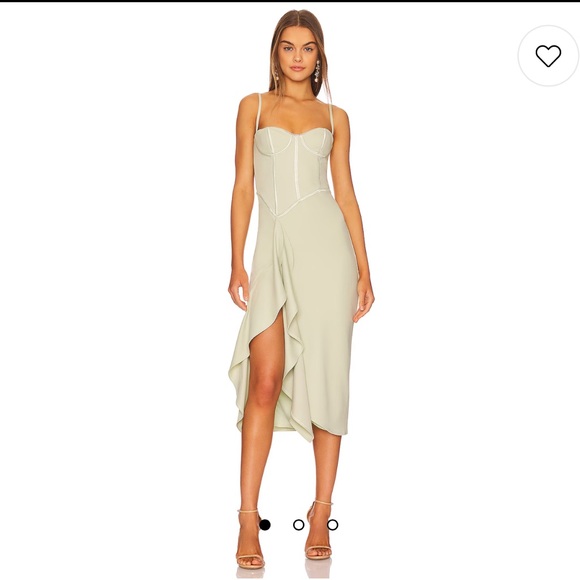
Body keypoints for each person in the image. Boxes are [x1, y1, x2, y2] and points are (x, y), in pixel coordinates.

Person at [227, 9, 375, 570]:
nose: (297, 56)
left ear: (319, 56)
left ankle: (321, 512)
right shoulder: (253, 107)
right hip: (272, 252)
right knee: (264, 380)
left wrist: (364, 269)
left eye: (307, 47)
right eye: (288, 47)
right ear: (276, 53)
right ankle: (248, 518)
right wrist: (236, 261)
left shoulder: (336, 117)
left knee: (328, 381)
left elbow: (346, 194)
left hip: (329, 255)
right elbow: (243, 186)